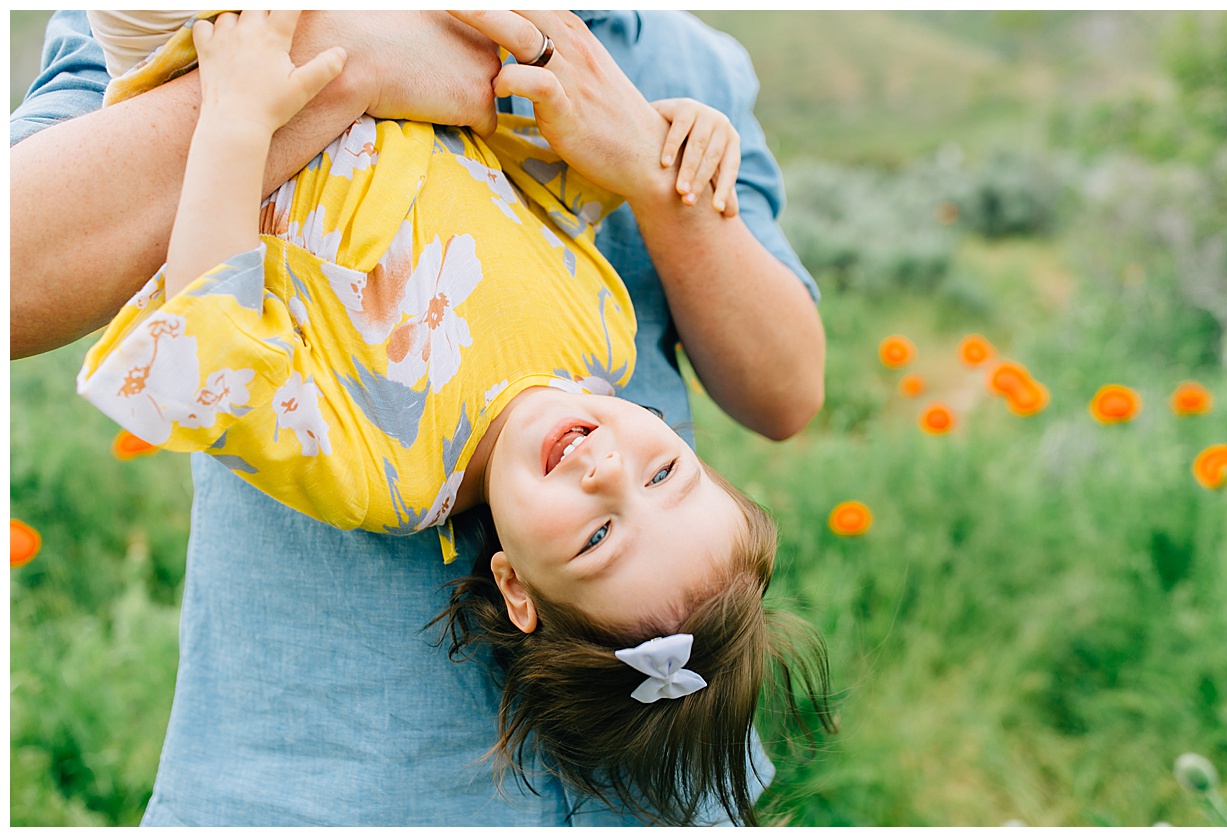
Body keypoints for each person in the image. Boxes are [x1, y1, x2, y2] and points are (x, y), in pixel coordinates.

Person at [12, 10, 824, 826]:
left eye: (598, 536)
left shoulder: (392, 476)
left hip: (433, 800)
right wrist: (670, 144)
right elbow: (544, 180)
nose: (610, 470)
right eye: (664, 472)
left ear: (513, 584)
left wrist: (241, 120)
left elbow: (216, 349)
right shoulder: (599, 342)